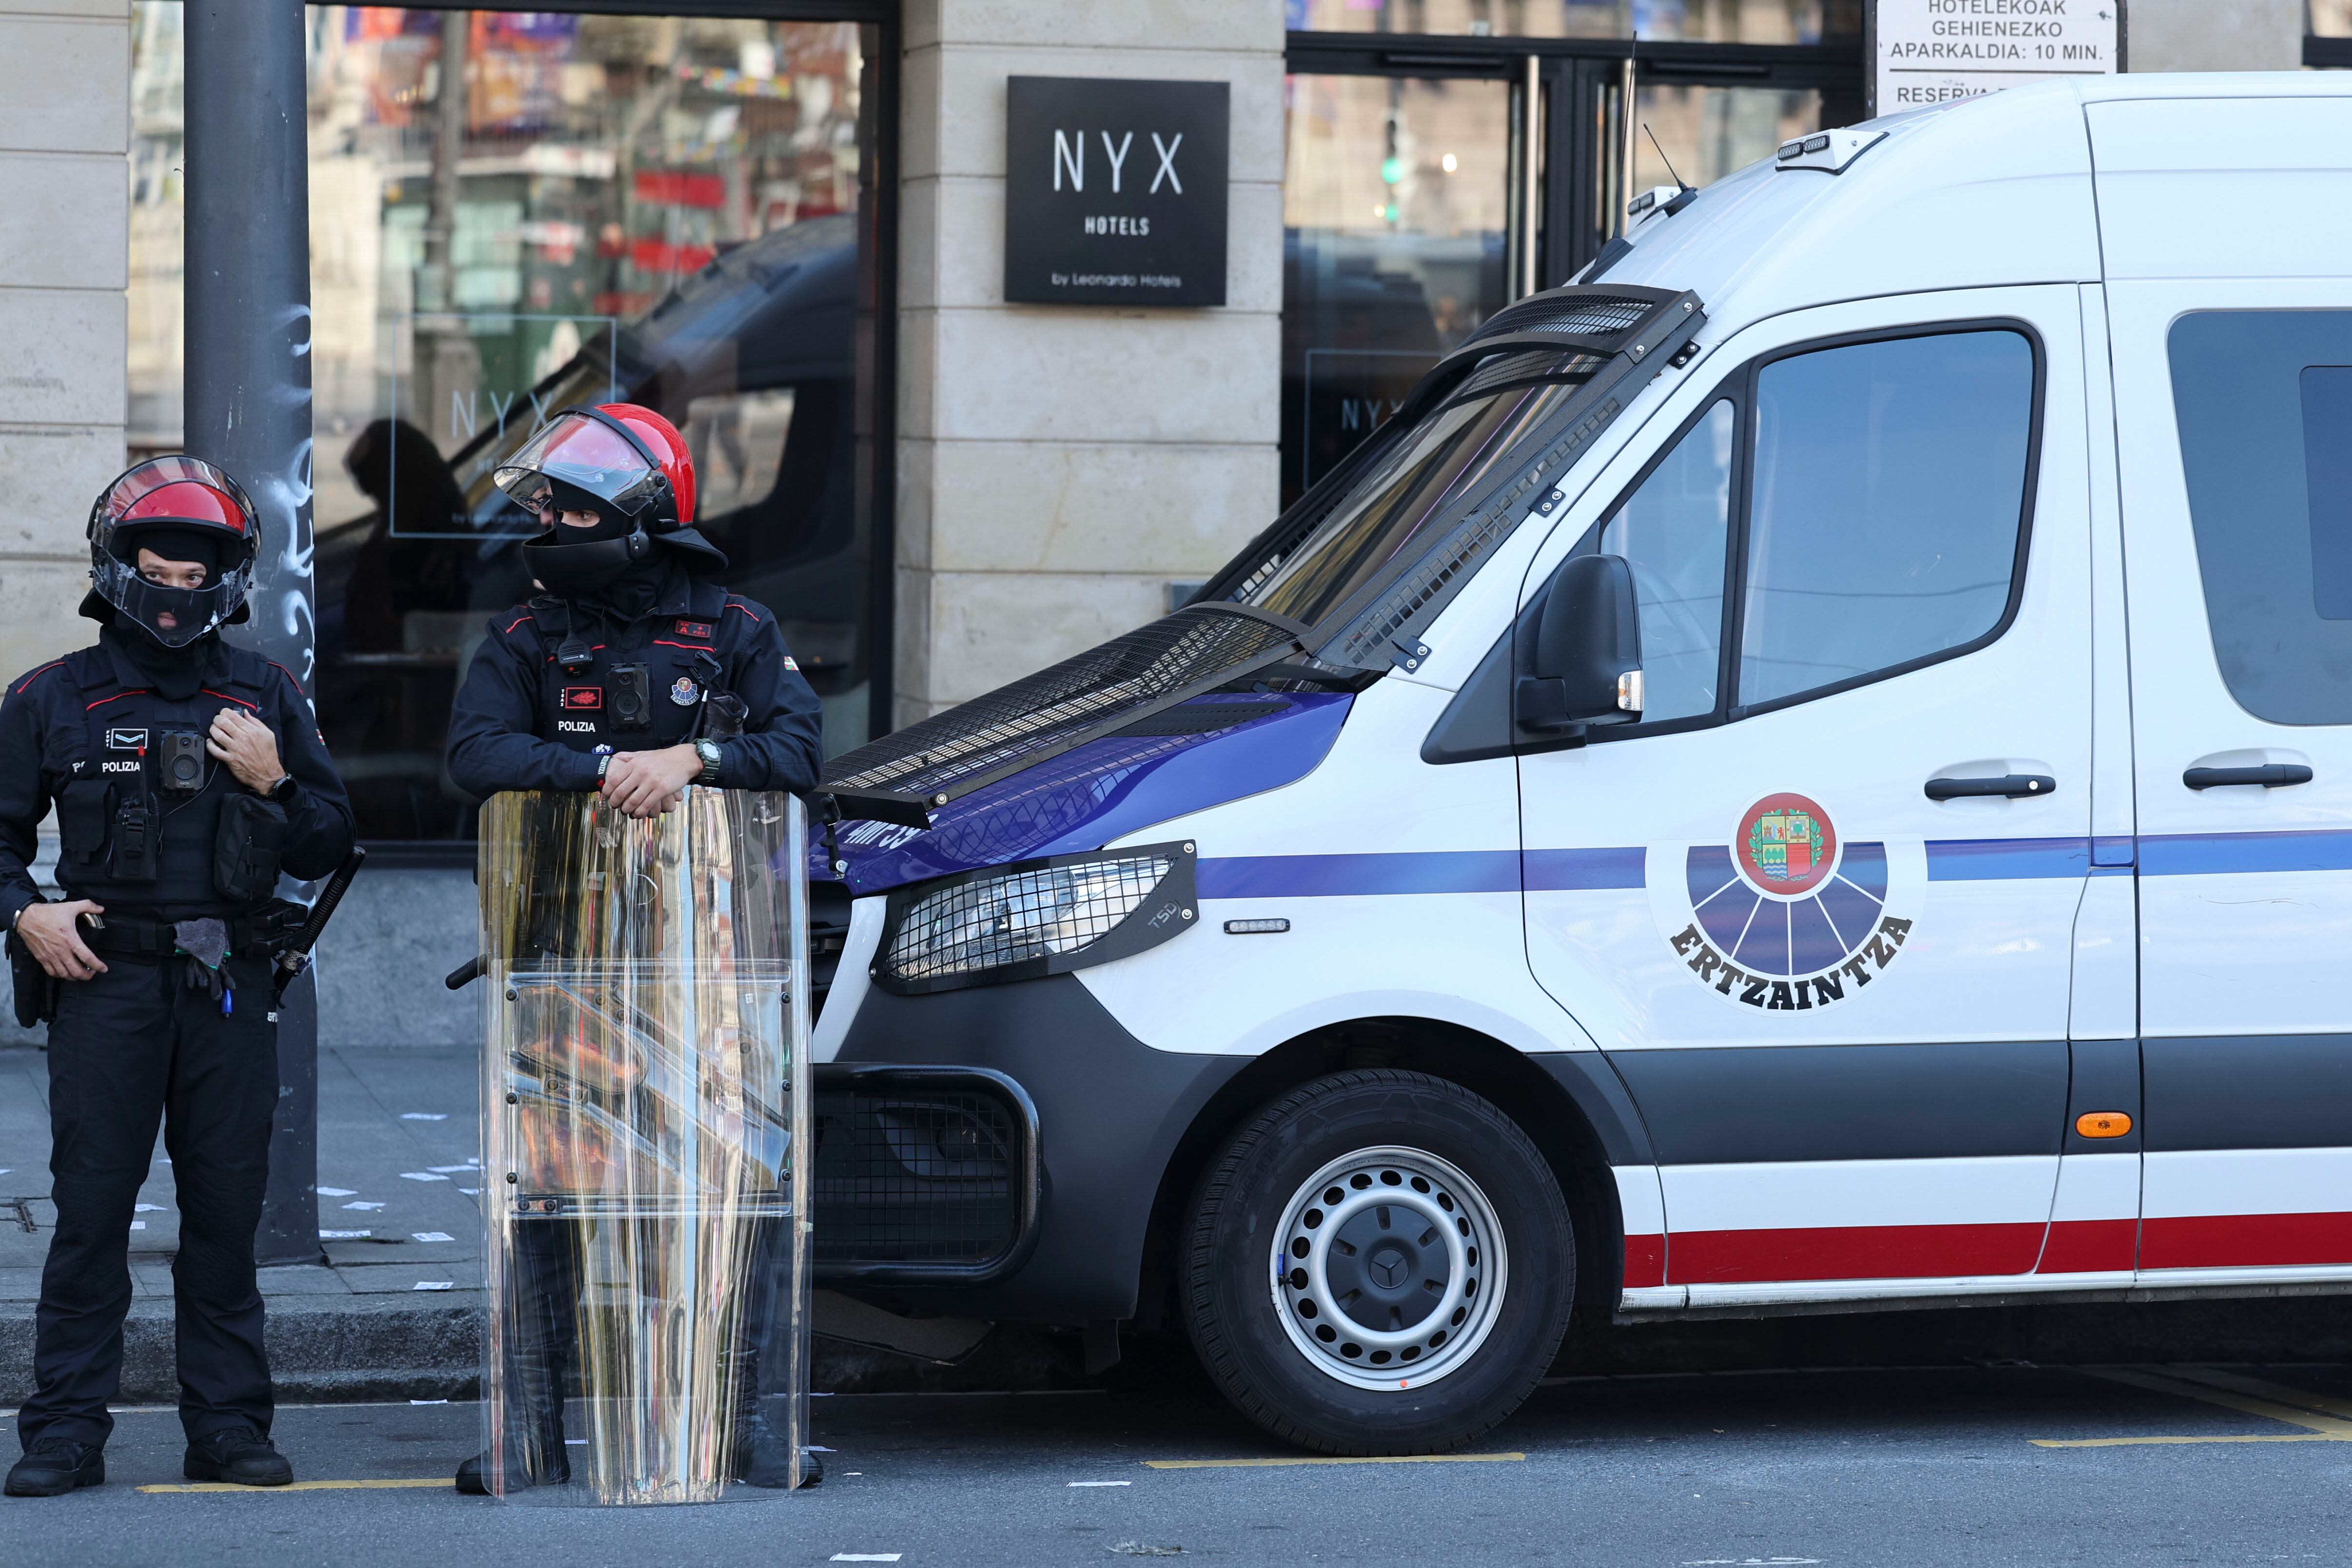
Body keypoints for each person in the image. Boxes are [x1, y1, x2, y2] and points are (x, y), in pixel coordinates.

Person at [443, 402, 822, 1493]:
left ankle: (748, 1426)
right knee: (545, 1198)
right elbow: (475, 753)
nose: (548, 522)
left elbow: (802, 745)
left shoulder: (735, 629)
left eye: (566, 506)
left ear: (635, 517)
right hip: (564, 959)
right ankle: (528, 1431)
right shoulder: (525, 634)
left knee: (739, 1185)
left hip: (714, 962)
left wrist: (695, 756)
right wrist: (611, 769)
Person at [0, 458, 356, 1497]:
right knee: (91, 1214)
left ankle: (230, 1428)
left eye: (200, 570)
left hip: (228, 980)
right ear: (119, 568)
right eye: (161, 564)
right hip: (105, 978)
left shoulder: (264, 695)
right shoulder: (47, 697)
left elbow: (329, 838)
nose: (179, 588)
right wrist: (27, 911)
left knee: (223, 1212)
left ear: (229, 580)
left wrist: (272, 776)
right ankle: (64, 1432)